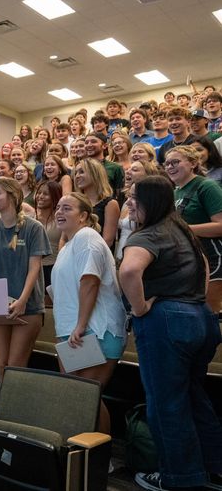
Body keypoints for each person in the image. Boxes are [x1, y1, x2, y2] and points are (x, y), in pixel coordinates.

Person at [119, 176, 222, 491]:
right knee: (194, 396)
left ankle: (177, 478)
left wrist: (138, 309)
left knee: (166, 404)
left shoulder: (147, 235)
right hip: (201, 318)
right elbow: (205, 264)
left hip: (166, 321)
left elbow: (129, 270)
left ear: (150, 200)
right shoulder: (182, 229)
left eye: (135, 197)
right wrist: (194, 299)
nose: (130, 202)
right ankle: (213, 468)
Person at [50, 193, 126, 435]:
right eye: (58, 207)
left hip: (95, 330)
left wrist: (80, 325)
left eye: (67, 208)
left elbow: (90, 282)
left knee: (86, 396)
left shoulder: (87, 237)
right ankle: (83, 455)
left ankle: (98, 458)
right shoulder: (69, 244)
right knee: (78, 397)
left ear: (83, 216)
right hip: (76, 331)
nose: (59, 212)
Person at [0, 177, 50, 382]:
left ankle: (17, 413)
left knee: (16, 366)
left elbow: (34, 268)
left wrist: (23, 300)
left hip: (28, 306)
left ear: (13, 195)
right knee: (1, 364)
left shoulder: (34, 227)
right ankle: (4, 412)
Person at [164, 146, 222, 313]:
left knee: (210, 313)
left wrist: (183, 228)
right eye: (167, 164)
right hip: (187, 258)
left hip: (212, 256)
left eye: (175, 162)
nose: (170, 167)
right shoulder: (175, 192)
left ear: (193, 163)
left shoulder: (207, 186)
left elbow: (220, 225)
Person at [116, 161, 159, 262]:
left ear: (148, 175)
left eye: (134, 170)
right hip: (121, 254)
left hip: (137, 256)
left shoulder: (149, 202)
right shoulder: (127, 199)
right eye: (128, 169)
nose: (128, 172)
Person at [74, 158, 120, 250]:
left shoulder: (110, 204)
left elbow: (107, 240)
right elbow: (64, 237)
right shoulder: (74, 202)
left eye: (82, 172)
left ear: (95, 174)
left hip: (97, 257)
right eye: (76, 173)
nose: (77, 176)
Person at [35, 180, 63, 289]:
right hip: (34, 269)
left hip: (53, 268)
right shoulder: (31, 220)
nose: (40, 196)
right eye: (39, 193)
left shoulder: (61, 220)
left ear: (55, 197)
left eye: (45, 194)